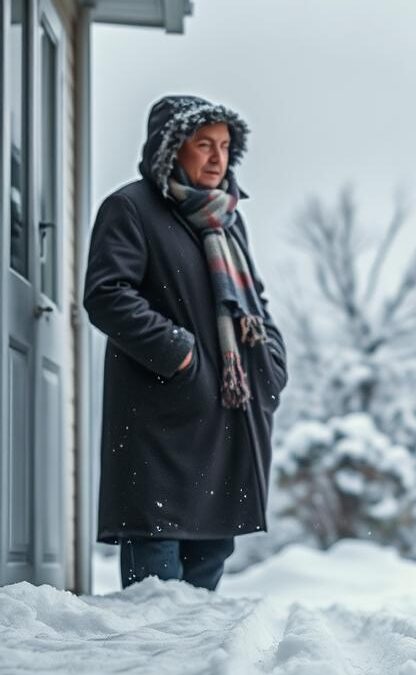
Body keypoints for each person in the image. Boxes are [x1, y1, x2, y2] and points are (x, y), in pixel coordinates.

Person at [83, 95, 287, 590]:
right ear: (171, 149)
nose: (218, 158)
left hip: (227, 423)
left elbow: (254, 301)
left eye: (224, 146)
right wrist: (182, 354)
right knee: (156, 596)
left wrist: (270, 363)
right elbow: (106, 295)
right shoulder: (131, 208)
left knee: (206, 579)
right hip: (162, 420)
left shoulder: (229, 221)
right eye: (203, 145)